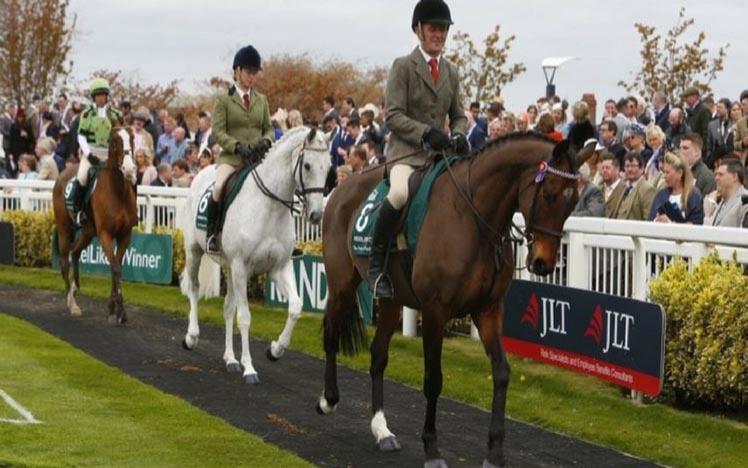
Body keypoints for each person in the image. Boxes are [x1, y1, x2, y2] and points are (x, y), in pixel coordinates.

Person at [368, 0, 468, 298]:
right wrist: (426, 133)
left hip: (440, 158)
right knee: (399, 194)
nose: (439, 34)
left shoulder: (450, 71)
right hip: (407, 155)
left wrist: (459, 134)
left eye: (443, 29)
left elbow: (459, 115)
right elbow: (393, 115)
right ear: (418, 30)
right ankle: (376, 266)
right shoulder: (403, 66)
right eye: (434, 28)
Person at [206, 45, 274, 254]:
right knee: (218, 188)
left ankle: (281, 240)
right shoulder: (224, 100)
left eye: (255, 73)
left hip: (258, 159)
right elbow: (218, 131)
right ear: (237, 71)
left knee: (278, 187)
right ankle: (212, 234)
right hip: (232, 159)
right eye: (248, 72)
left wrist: (266, 141)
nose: (252, 77)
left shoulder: (261, 100)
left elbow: (269, 128)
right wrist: (236, 146)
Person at [68, 78, 123, 226]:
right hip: (91, 153)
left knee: (128, 175)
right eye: (98, 95)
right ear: (93, 97)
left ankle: (131, 211)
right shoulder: (87, 115)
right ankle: (78, 210)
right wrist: (89, 154)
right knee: (82, 177)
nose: (100, 98)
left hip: (109, 155)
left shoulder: (116, 115)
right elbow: (81, 136)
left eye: (103, 95)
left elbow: (120, 135)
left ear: (107, 97)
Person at [648, 152, 703, 224]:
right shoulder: (661, 194)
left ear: (680, 173)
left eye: (667, 172)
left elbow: (696, 225)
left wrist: (670, 223)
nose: (664, 176)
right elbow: (650, 220)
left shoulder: (694, 195)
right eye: (664, 172)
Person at [702, 158, 747, 227]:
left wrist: (708, 216)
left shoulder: (745, 201)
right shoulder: (720, 201)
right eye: (716, 174)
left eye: (720, 174)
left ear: (734, 176)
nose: (716, 178)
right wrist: (709, 214)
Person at [615, 151, 656, 221]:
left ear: (642, 168)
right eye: (627, 166)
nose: (630, 169)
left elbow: (649, 220)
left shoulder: (647, 189)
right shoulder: (625, 187)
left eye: (633, 166)